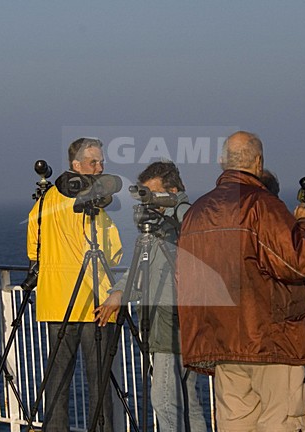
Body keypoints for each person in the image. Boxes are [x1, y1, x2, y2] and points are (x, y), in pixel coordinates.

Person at [176, 131, 305, 432]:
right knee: (280, 420)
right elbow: (300, 262)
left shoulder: (197, 212)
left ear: (222, 163)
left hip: (223, 340)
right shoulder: (262, 205)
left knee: (235, 422)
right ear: (258, 162)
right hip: (271, 339)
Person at [95, 161, 208, 432]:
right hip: (164, 321)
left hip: (175, 322)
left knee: (165, 400)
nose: (150, 202)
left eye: (154, 194)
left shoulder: (185, 219)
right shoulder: (157, 225)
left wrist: (173, 211)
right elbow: (142, 265)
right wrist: (120, 292)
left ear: (172, 191)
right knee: (186, 401)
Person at [27, 138, 122, 431]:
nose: (101, 167)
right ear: (76, 166)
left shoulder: (44, 202)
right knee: (99, 383)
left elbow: (34, 250)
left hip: (55, 301)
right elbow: (111, 252)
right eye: (94, 162)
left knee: (57, 381)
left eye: (101, 161)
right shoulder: (91, 202)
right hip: (94, 303)